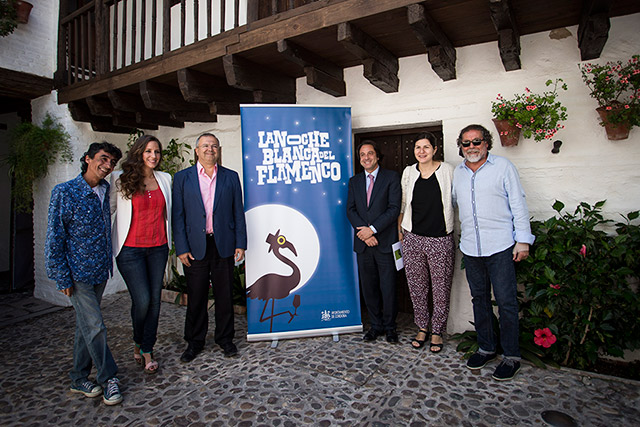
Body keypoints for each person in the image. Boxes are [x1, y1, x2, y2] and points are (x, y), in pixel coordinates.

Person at [452, 124, 535, 381]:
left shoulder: (503, 167)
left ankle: (511, 356)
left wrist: (523, 241)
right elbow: (455, 204)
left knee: (507, 302)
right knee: (479, 299)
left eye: (477, 141)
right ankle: (486, 347)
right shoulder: (458, 172)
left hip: (500, 246)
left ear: (486, 143)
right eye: (466, 143)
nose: (472, 147)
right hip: (471, 248)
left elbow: (518, 204)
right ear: (461, 147)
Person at [45, 142, 124, 406]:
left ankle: (78, 376)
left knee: (85, 326)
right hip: (76, 273)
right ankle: (108, 377)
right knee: (95, 326)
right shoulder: (65, 192)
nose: (108, 165)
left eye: (112, 162)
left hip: (100, 270)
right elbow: (55, 236)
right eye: (103, 159)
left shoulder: (104, 189)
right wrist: (61, 276)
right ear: (88, 159)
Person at [172, 133, 247, 362]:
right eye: (205, 145)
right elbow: (178, 215)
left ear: (219, 150)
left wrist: (240, 244)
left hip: (222, 244)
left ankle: (225, 340)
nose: (209, 149)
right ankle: (194, 342)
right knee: (196, 296)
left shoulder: (231, 177)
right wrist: (181, 248)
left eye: (214, 146)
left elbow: (238, 212)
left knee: (224, 296)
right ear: (197, 150)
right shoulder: (182, 178)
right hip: (195, 246)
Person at [110, 135, 172, 374]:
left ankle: (146, 348)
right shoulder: (120, 179)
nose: (153, 156)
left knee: (155, 302)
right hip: (130, 250)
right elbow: (107, 211)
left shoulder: (165, 179)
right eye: (148, 151)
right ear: (139, 153)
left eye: (156, 152)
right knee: (143, 300)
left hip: (158, 248)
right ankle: (138, 340)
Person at [397, 132, 455, 353]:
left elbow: (455, 200)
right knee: (417, 287)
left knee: (441, 288)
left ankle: (437, 331)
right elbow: (403, 203)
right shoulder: (409, 172)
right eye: (418, 147)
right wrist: (400, 230)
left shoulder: (448, 170)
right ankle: (422, 327)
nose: (422, 151)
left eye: (426, 147)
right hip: (413, 237)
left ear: (435, 149)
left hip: (440, 238)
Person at [347, 140, 402, 343]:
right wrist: (364, 233)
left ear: (377, 156)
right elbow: (350, 210)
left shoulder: (391, 177)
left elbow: (394, 208)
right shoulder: (354, 181)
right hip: (363, 245)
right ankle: (376, 326)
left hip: (384, 242)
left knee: (388, 287)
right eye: (362, 154)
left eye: (370, 153)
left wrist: (372, 230)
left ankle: (390, 327)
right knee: (368, 288)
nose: (366, 157)